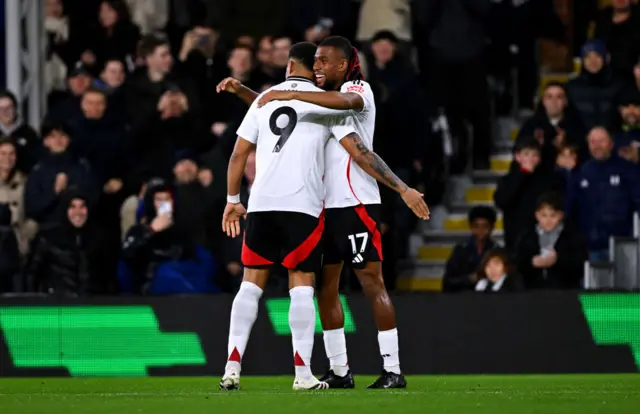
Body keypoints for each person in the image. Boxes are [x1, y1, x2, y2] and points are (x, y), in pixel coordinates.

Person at [220, 36, 429, 389]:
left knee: (370, 281)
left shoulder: (353, 91)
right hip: (319, 207)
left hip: (355, 202)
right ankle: (340, 370)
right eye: (314, 61)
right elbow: (275, 111)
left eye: (324, 61)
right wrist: (246, 92)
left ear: (344, 65)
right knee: (325, 290)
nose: (317, 66)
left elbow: (359, 148)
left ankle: (392, 368)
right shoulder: (318, 104)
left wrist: (403, 189)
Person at [218, 42, 357, 391]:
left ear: (289, 65)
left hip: (262, 203)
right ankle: (302, 373)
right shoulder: (325, 102)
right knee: (300, 286)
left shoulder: (265, 99)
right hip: (302, 205)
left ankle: (231, 368)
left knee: (250, 285)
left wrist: (233, 199)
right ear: (315, 66)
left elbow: (238, 154)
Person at [514, 193, 587, 290]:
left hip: (565, 292)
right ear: (537, 215)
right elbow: (518, 263)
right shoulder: (527, 237)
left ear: (561, 215)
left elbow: (580, 264)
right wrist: (532, 262)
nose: (548, 220)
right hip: (533, 293)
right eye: (544, 215)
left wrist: (558, 260)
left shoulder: (571, 236)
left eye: (553, 215)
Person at [443, 205, 498, 293]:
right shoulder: (460, 251)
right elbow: (448, 282)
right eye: (476, 226)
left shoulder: (497, 252)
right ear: (471, 227)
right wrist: (469, 279)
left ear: (492, 228)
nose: (481, 230)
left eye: (485, 226)